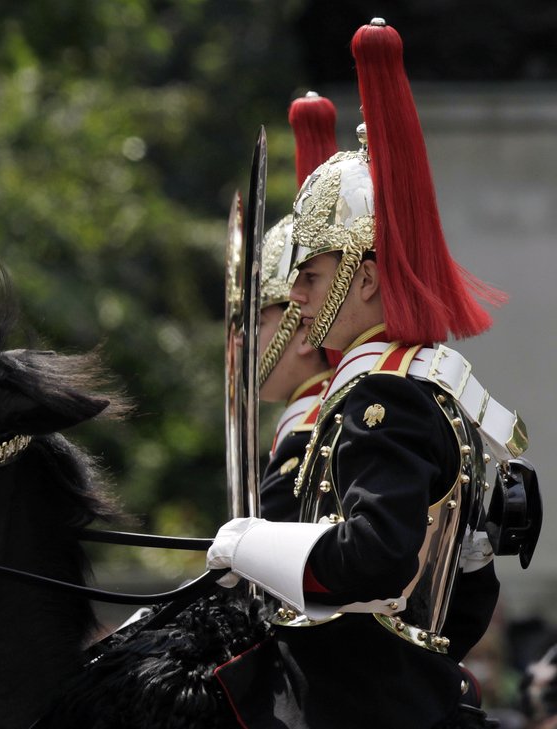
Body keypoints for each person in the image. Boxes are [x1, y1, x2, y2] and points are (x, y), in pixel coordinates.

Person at [208, 19, 532, 728]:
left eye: (312, 275)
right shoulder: (416, 389)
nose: (298, 299)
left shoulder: (385, 396)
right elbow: (460, 606)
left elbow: (376, 558)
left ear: (365, 278)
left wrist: (250, 543)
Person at [256, 91, 336, 524]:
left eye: (258, 322)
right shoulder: (302, 421)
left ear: (304, 332)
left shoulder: (307, 433)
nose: (240, 342)